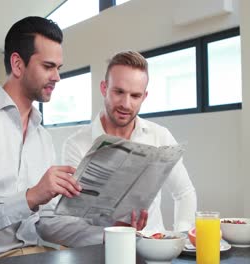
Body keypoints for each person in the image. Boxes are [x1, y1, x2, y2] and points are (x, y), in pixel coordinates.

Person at [0, 17, 145, 263]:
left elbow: (45, 221)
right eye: (48, 66)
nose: (57, 77)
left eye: (58, 67)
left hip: (31, 255)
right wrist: (32, 196)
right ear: (17, 64)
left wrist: (108, 234)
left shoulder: (41, 136)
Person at [62, 51, 197, 233]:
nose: (126, 104)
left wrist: (180, 237)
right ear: (104, 88)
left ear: (144, 97)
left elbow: (184, 192)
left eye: (135, 96)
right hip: (100, 250)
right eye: (119, 92)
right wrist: (112, 232)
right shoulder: (76, 145)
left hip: (153, 251)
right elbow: (71, 217)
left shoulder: (160, 136)